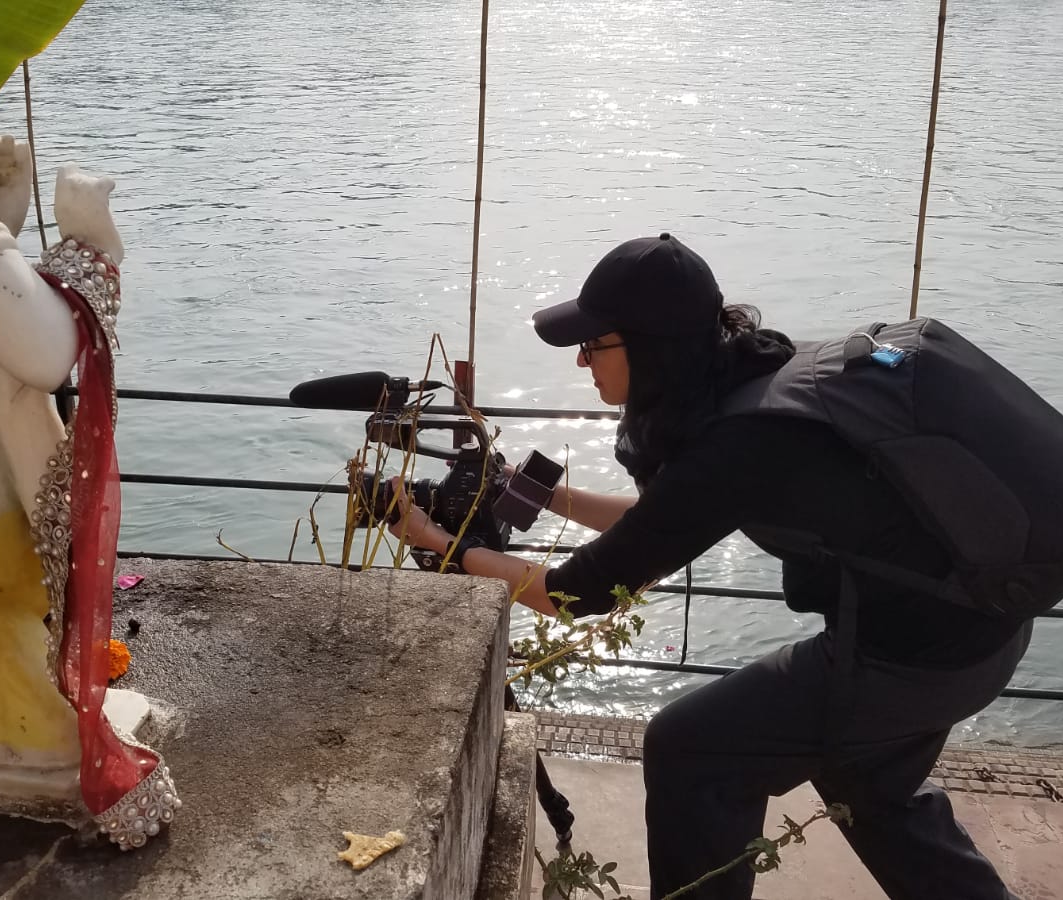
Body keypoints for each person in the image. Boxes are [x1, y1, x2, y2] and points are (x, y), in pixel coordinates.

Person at [389, 232, 1029, 899]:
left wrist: (440, 543)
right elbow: (656, 526)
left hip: (911, 656)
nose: (582, 362)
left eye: (595, 343)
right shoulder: (751, 378)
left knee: (690, 752)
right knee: (871, 785)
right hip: (979, 624)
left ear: (652, 345)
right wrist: (544, 493)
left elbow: (575, 594)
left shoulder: (734, 448)